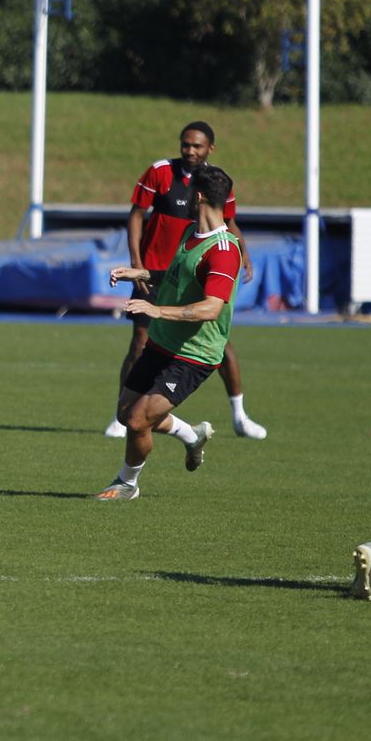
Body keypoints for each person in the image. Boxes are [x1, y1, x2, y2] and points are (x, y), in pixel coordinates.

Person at [104, 121, 267, 441]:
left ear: (210, 149)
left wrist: (242, 253)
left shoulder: (218, 188)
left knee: (220, 346)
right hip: (165, 272)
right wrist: (138, 265)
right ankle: (159, 424)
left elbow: (229, 223)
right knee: (140, 345)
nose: (190, 150)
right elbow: (136, 214)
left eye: (197, 146)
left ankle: (239, 415)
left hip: (197, 279)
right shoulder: (161, 173)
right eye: (186, 144)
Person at [96, 164, 242, 501]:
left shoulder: (222, 250)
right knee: (125, 412)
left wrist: (156, 309)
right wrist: (142, 272)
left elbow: (211, 308)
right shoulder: (192, 232)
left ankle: (126, 484)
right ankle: (191, 435)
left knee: (136, 422)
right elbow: (179, 275)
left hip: (192, 356)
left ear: (200, 196)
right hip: (162, 342)